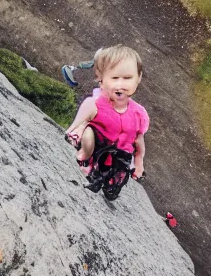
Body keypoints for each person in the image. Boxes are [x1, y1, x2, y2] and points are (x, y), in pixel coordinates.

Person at [64, 45, 149, 180]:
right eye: (115, 78)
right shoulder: (96, 102)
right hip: (96, 144)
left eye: (127, 78)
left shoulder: (138, 113)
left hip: (116, 154)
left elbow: (139, 142)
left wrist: (138, 164)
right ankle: (84, 155)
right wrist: (75, 132)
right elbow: (82, 120)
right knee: (88, 131)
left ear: (138, 78)